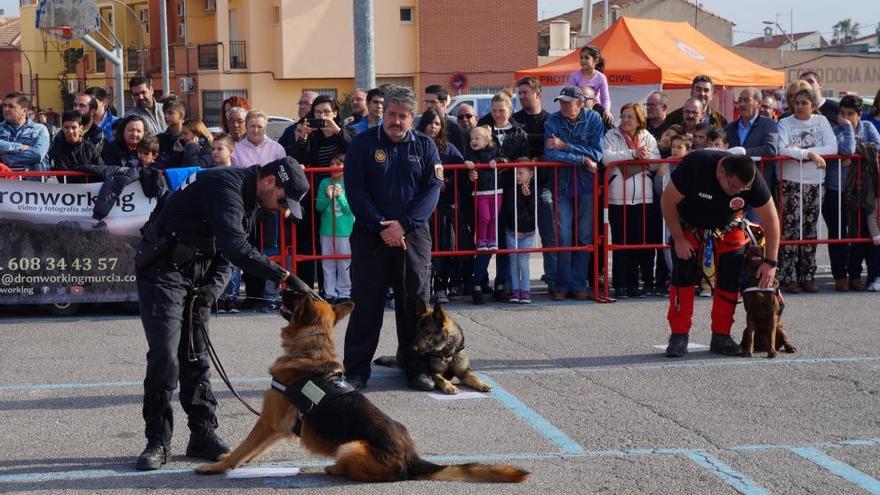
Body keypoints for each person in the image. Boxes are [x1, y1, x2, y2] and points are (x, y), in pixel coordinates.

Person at [134, 156, 310, 471]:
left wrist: (211, 292)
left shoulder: (253, 198)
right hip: (163, 269)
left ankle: (202, 435)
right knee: (165, 355)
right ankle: (157, 441)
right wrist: (285, 277)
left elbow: (227, 256)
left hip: (197, 270)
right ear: (270, 181)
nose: (283, 210)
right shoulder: (226, 188)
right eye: (284, 200)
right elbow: (237, 250)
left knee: (196, 356)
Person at [342, 85, 442, 391]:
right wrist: (381, 226)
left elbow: (432, 190)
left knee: (414, 303)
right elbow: (354, 189)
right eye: (391, 114)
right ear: (384, 113)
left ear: (412, 117)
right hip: (370, 236)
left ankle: (417, 369)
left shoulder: (425, 146)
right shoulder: (362, 144)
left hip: (413, 237)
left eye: (402, 116)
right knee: (366, 305)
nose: (395, 121)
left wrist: (404, 226)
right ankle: (357, 371)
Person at [661, 151, 780, 358]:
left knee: (729, 278)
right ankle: (679, 335)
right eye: (733, 186)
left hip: (727, 225)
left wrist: (771, 262)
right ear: (722, 171)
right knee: (683, 277)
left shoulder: (753, 182)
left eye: (742, 189)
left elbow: (771, 220)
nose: (737, 192)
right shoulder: (696, 165)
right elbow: (667, 201)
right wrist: (679, 239)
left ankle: (721, 335)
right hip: (689, 223)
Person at [544, 86, 604, 301]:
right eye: (561, 102)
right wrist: (581, 159)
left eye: (568, 102)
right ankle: (562, 284)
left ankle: (579, 284)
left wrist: (566, 146)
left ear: (580, 102)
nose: (563, 106)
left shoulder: (594, 119)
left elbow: (597, 153)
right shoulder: (552, 121)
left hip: (586, 185)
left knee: (585, 235)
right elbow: (550, 153)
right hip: (562, 185)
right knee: (564, 236)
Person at [777, 86, 838, 293]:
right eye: (797, 102)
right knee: (791, 230)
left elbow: (832, 147)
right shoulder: (785, 122)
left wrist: (802, 152)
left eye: (804, 103)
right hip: (791, 181)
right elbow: (782, 147)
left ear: (813, 105)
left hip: (815, 182)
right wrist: (810, 156)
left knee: (810, 229)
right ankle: (789, 276)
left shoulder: (821, 122)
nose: (800, 106)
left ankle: (807, 276)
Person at [603, 103, 661, 299]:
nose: (626, 120)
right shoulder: (612, 135)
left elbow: (656, 163)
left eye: (630, 117)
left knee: (637, 242)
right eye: (623, 116)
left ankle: (634, 285)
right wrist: (632, 154)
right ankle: (620, 284)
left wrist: (645, 158)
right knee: (620, 243)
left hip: (643, 197)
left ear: (639, 120)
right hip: (618, 198)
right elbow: (606, 157)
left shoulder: (648, 137)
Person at [826, 94, 880, 291]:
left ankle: (855, 274)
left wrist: (857, 155)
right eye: (842, 113)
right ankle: (840, 275)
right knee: (838, 233)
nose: (846, 117)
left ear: (859, 114)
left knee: (860, 232)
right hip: (836, 188)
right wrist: (848, 130)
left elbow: (877, 146)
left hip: (861, 190)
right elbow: (846, 149)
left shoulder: (868, 127)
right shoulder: (836, 129)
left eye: (850, 114)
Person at [416, 107, 465, 303]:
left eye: (437, 124)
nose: (433, 127)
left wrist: (447, 184)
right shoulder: (413, 144)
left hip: (443, 207)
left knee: (444, 246)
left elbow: (461, 172)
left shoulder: (449, 148)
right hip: (420, 208)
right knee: (421, 249)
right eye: (430, 123)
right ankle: (423, 287)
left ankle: (441, 287)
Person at [725, 88, 779, 198]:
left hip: (758, 184)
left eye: (746, 100)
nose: (741, 104)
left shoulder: (769, 124)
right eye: (739, 100)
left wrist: (743, 152)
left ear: (758, 103)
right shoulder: (730, 127)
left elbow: (771, 149)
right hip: (734, 186)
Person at [315, 153, 353, 303]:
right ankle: (330, 293)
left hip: (345, 230)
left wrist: (341, 197)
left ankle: (344, 292)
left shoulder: (350, 182)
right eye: (332, 164)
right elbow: (319, 207)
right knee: (327, 262)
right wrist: (327, 196)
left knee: (344, 262)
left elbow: (350, 210)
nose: (334, 167)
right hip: (326, 230)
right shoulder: (325, 182)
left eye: (338, 164)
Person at [465, 125, 504, 252]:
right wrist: (467, 164)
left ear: (486, 141)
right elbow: (466, 159)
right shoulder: (471, 153)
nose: (473, 141)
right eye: (472, 139)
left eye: (477, 138)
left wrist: (497, 161)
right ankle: (481, 240)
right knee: (484, 217)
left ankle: (492, 240)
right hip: (481, 192)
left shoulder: (494, 150)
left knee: (494, 218)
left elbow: (503, 159)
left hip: (496, 190)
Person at [503, 166, 537, 304]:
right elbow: (510, 209)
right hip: (512, 231)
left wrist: (527, 196)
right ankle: (515, 290)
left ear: (531, 174)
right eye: (516, 173)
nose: (517, 176)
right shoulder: (512, 190)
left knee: (523, 262)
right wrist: (521, 196)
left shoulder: (534, 190)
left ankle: (525, 290)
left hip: (528, 232)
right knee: (513, 262)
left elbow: (533, 210)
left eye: (521, 173)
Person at [0, 92, 50, 174]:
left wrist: (6, 158)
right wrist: (19, 147)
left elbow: (37, 155)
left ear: (24, 111)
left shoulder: (39, 129)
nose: (6, 109)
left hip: (31, 182)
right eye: (4, 106)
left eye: (11, 106)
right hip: (5, 182)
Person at [48, 110, 104, 180]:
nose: (70, 131)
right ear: (62, 128)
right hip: (64, 189)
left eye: (74, 127)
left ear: (81, 129)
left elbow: (101, 170)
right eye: (66, 127)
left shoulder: (90, 148)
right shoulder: (56, 149)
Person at [567, 46, 613, 124]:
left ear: (595, 60)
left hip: (596, 107)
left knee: (606, 120)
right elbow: (570, 95)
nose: (583, 60)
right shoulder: (575, 76)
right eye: (581, 58)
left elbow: (605, 98)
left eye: (586, 58)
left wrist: (607, 110)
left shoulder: (601, 77)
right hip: (578, 107)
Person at [422, 84, 465, 150]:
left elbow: (459, 156)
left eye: (432, 102)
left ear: (443, 103)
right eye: (426, 101)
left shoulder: (454, 128)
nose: (428, 105)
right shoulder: (420, 122)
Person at [157, 98, 186, 168]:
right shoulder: (160, 139)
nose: (166, 116)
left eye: (170, 113)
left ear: (181, 115)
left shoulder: (190, 138)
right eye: (165, 113)